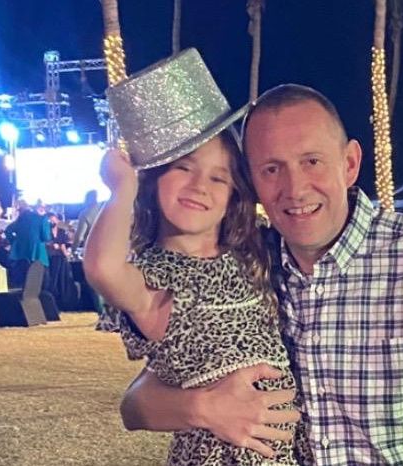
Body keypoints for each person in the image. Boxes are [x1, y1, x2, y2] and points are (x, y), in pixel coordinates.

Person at [119, 84, 403, 466]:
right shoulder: (243, 266)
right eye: (271, 169)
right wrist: (204, 408)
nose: (294, 188)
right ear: (251, 182)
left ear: (349, 163)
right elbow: (137, 403)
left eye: (311, 161)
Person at [84, 50, 312, 465]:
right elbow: (103, 268)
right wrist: (121, 191)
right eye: (183, 169)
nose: (200, 187)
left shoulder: (252, 254)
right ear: (154, 181)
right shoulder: (153, 279)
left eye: (218, 177)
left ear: (233, 195)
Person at [5, 200, 51, 287]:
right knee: (40, 286)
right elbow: (46, 237)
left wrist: (15, 242)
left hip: (20, 256)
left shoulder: (21, 219)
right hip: (38, 256)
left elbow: (8, 231)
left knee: (20, 286)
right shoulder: (42, 219)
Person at [72, 189, 102, 253]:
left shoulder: (85, 213)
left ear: (87, 200)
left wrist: (73, 250)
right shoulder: (108, 210)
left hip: (93, 250)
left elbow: (79, 237)